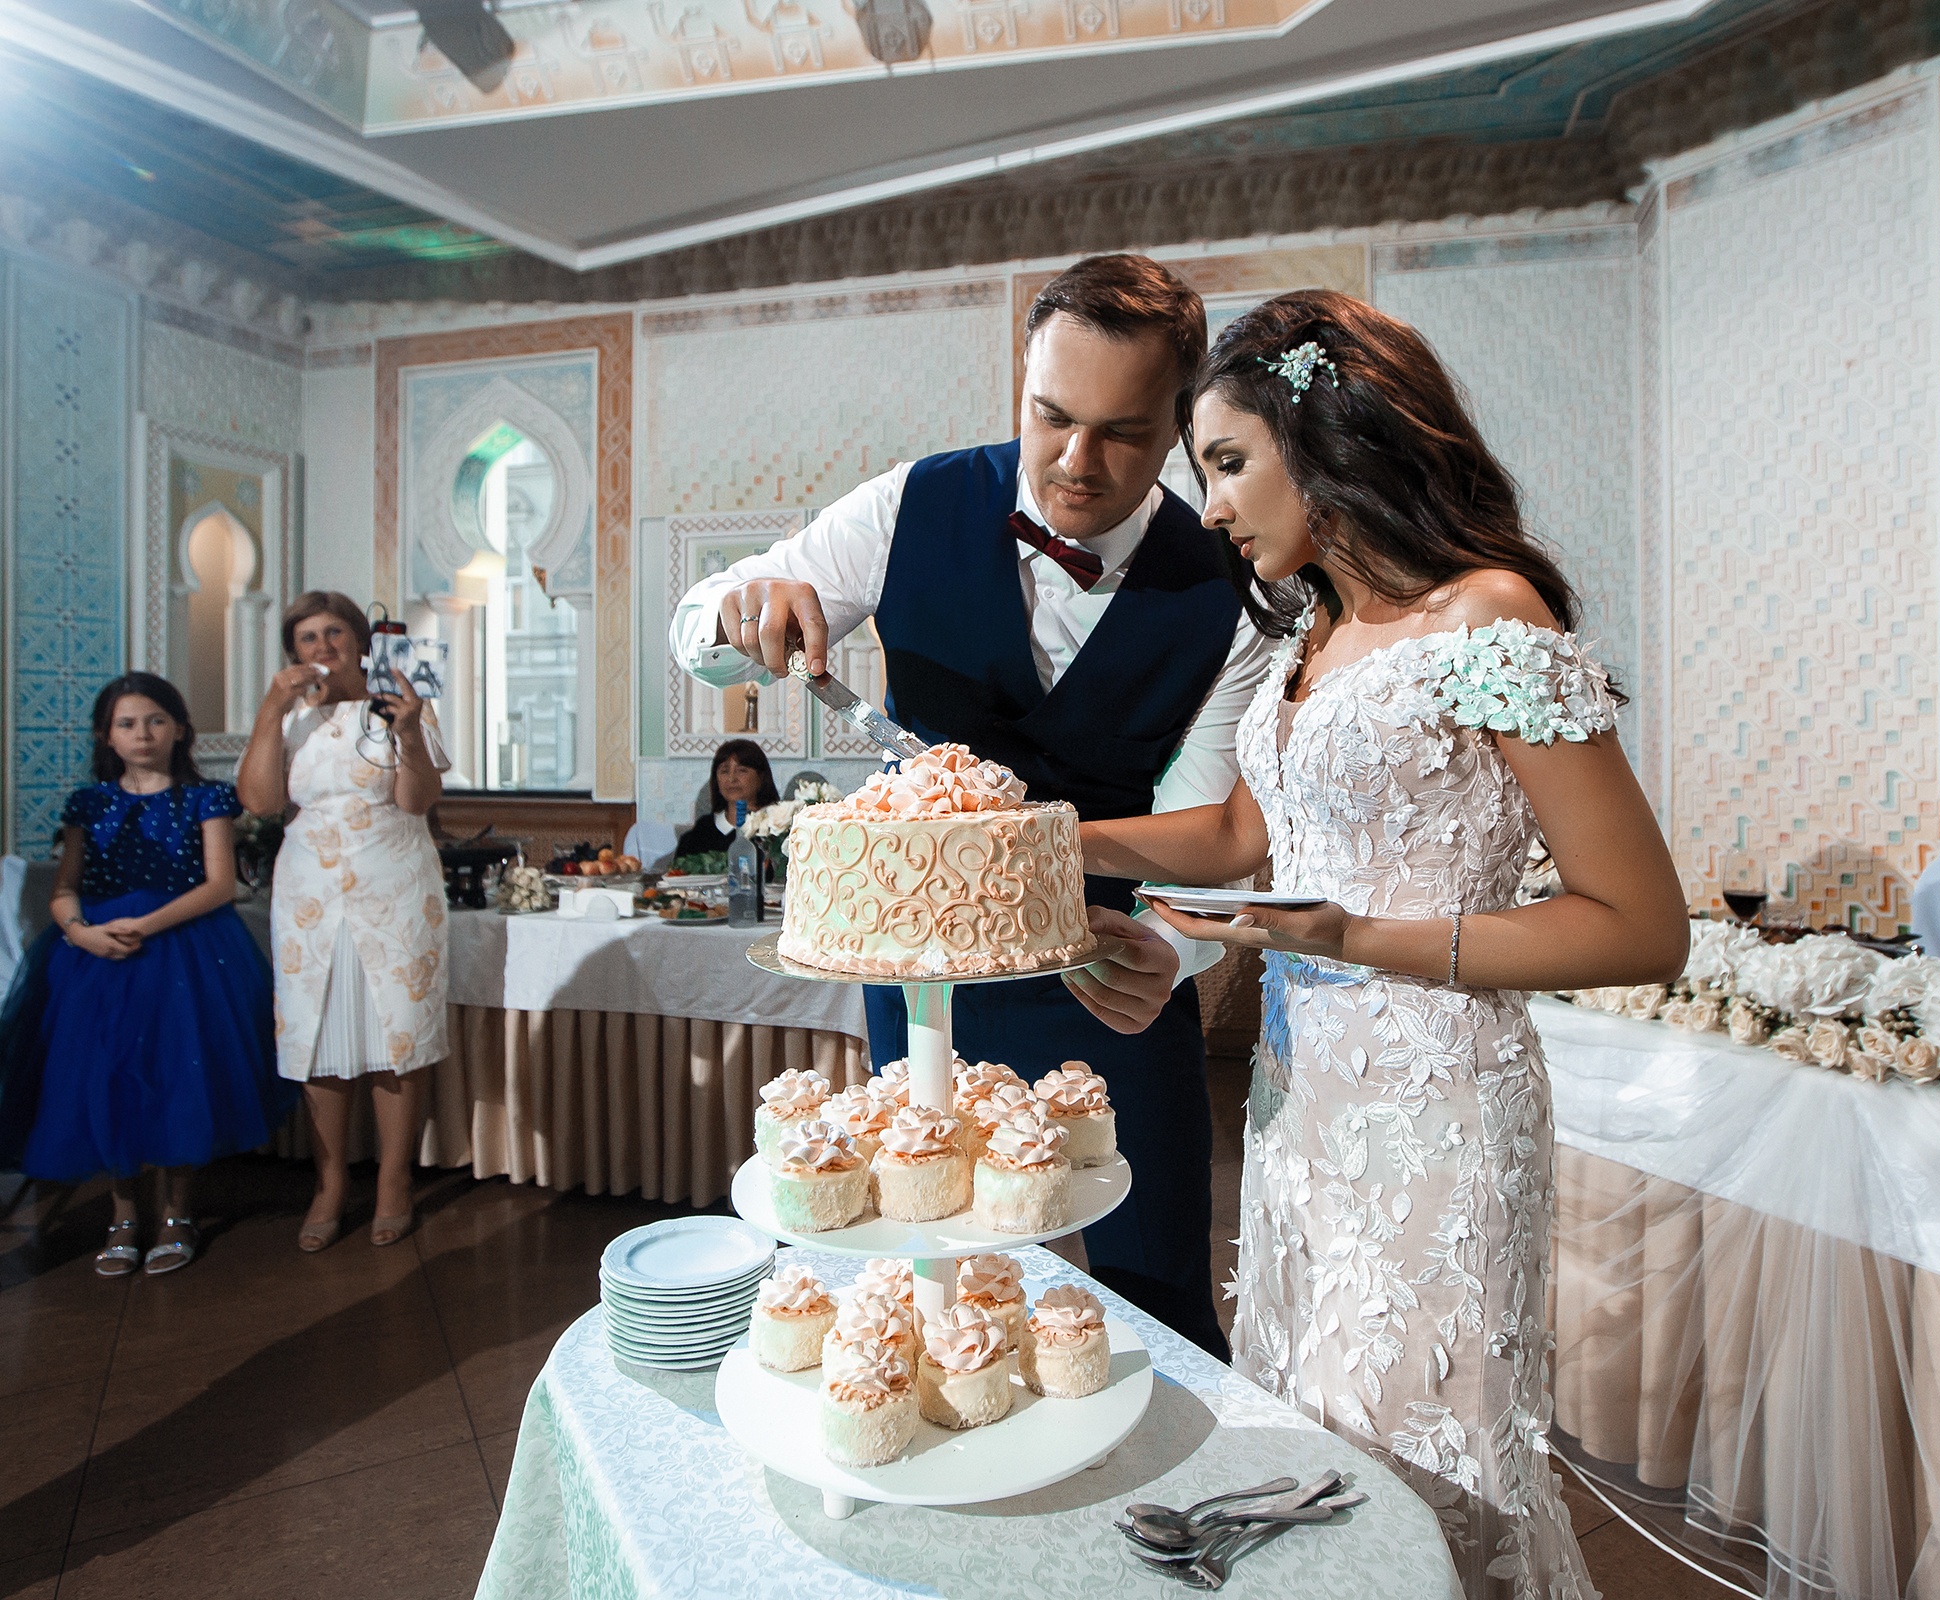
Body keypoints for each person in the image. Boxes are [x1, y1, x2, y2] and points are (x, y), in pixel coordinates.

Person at [1080, 291, 1690, 1598]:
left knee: (1428, 1457)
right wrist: (1056, 838)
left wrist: (1355, 936)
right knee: (1311, 1439)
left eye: (1229, 463)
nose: (1215, 507)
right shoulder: (1308, 637)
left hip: (1438, 1113)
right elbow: (1246, 834)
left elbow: (1641, 926)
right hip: (1300, 1107)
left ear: (1327, 438)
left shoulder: (1490, 616)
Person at [672, 254, 1275, 1359]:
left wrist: (1176, 955)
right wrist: (736, 612)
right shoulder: (912, 503)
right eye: (1051, 417)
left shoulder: (1228, 584)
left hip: (1113, 979)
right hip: (928, 992)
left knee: (1162, 1304)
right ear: (1022, 385)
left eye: (1124, 433)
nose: (1077, 463)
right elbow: (699, 624)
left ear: (1183, 427)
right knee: (936, 1286)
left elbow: (1211, 827)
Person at [0, 674, 289, 1276]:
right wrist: (80, 931)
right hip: (95, 957)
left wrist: (146, 925)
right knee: (107, 1079)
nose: (142, 733)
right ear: (107, 735)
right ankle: (124, 1214)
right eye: (127, 723)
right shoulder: (89, 801)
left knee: (174, 1073)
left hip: (180, 948)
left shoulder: (205, 798)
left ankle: (178, 1213)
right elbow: (65, 889)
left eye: (155, 721)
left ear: (179, 729)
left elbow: (220, 885)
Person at [235, 592, 449, 1252]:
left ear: (361, 642)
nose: (322, 645)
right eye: (306, 637)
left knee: (399, 1034)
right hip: (309, 891)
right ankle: (329, 1182)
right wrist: (272, 709)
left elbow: (417, 801)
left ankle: (393, 1181)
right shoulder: (289, 718)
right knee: (318, 1034)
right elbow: (262, 802)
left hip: (396, 882)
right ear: (291, 653)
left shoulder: (400, 702)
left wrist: (409, 730)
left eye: (334, 632)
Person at [675, 739, 776, 862]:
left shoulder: (778, 828)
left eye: (742, 770)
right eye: (724, 771)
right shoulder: (701, 832)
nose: (732, 779)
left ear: (761, 777)